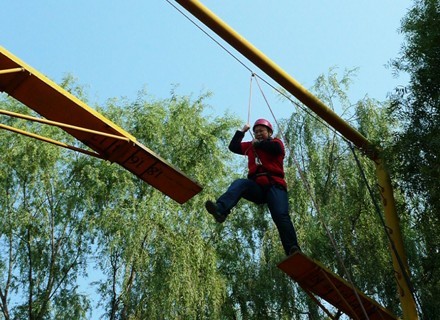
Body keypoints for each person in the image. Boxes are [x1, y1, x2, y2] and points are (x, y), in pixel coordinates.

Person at [205, 118, 300, 256]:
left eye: (261, 131)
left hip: (274, 185)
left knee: (281, 216)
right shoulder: (251, 146)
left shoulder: (276, 143)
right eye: (256, 132)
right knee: (240, 183)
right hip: (258, 188)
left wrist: (259, 145)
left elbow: (276, 149)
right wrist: (242, 132)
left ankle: (292, 248)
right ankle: (221, 210)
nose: (258, 134)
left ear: (269, 132)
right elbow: (233, 147)